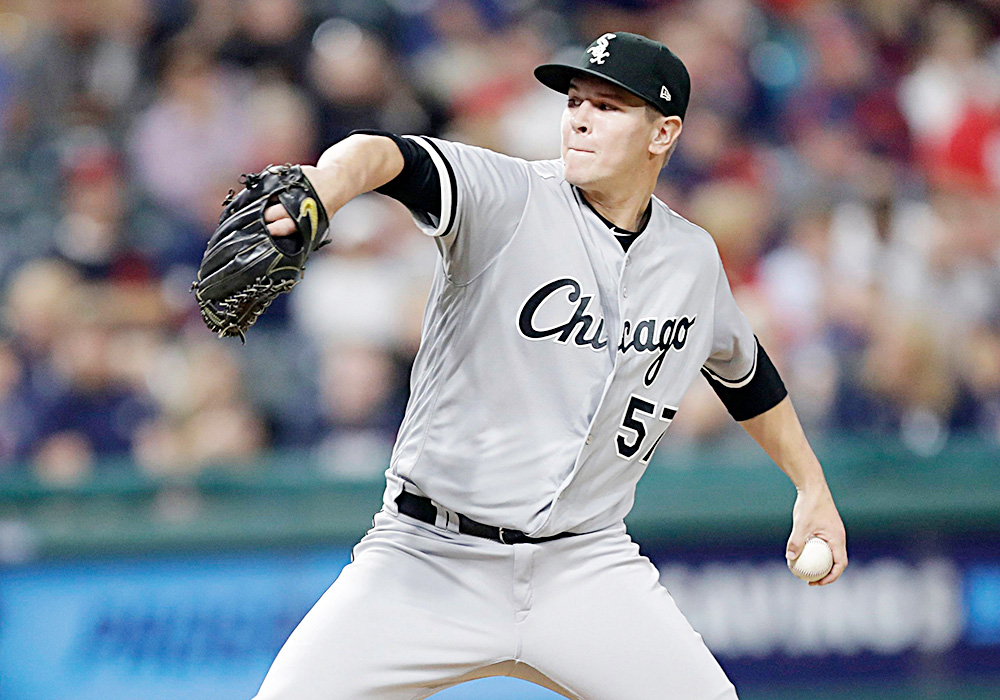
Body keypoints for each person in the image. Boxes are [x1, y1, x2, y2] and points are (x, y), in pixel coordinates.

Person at [255, 32, 847, 700]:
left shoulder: (690, 257)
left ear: (664, 133)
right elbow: (387, 155)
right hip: (426, 560)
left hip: (585, 565)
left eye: (609, 106)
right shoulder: (508, 197)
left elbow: (746, 375)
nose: (581, 118)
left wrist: (810, 486)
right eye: (574, 101)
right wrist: (327, 188)